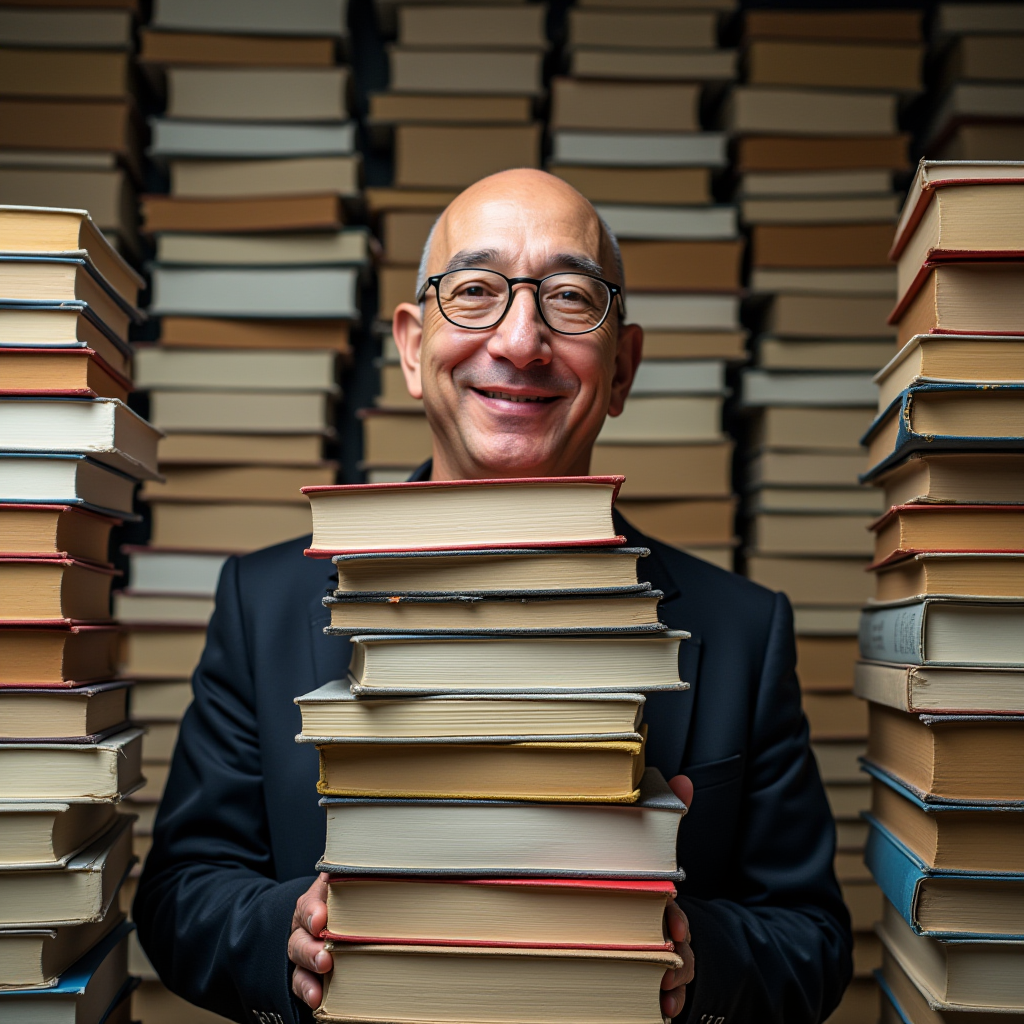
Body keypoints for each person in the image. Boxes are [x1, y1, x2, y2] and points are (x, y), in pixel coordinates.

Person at [134, 169, 853, 1024]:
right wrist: (283, 934)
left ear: (622, 367)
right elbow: (180, 894)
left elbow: (812, 940)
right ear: (410, 347)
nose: (520, 340)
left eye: (570, 298)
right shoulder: (263, 603)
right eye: (474, 292)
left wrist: (696, 957)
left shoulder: (743, 629)